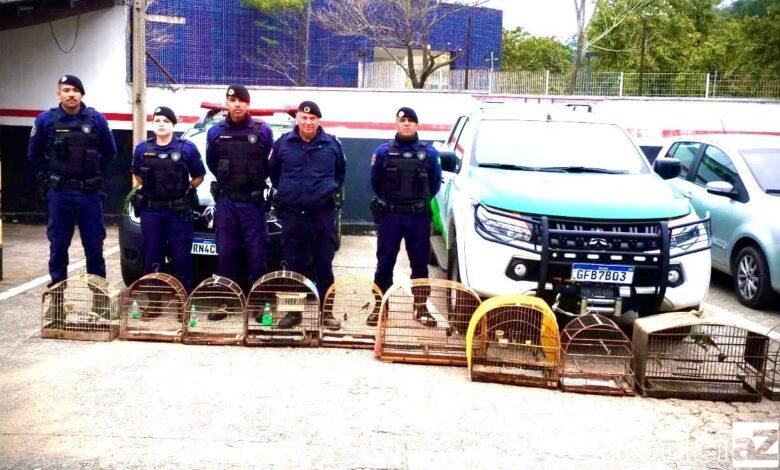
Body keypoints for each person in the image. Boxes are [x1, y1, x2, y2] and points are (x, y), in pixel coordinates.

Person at [28, 75, 117, 306]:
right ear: (59, 93)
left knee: (94, 247)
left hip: (89, 194)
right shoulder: (46, 120)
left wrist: (95, 174)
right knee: (58, 247)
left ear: (82, 94)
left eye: (76, 90)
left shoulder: (96, 119)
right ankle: (57, 304)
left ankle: (100, 302)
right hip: (60, 194)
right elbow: (34, 155)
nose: (71, 94)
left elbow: (110, 152)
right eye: (66, 90)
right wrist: (48, 179)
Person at [269, 100, 346, 330]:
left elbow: (340, 175)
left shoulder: (332, 144)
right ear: (297, 119)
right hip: (293, 216)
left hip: (322, 215)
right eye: (304, 118)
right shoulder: (283, 144)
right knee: (294, 266)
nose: (308, 122)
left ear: (318, 120)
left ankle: (327, 313)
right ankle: (293, 313)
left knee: (324, 264)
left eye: (312, 118)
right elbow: (274, 173)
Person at [368, 107, 442, 327]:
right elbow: (375, 182)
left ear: (417, 125)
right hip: (390, 217)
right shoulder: (383, 152)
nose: (407, 124)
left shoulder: (430, 154)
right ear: (396, 124)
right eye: (403, 120)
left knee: (420, 265)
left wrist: (417, 204)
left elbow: (435, 184)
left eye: (411, 121)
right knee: (384, 264)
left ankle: (420, 307)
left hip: (418, 217)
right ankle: (380, 307)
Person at [206, 85, 274, 320]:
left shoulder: (263, 131)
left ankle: (257, 303)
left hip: (253, 203)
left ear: (248, 104)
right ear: (226, 103)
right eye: (232, 100)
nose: (237, 105)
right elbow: (212, 164)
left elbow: (269, 165)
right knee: (226, 252)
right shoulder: (215, 133)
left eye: (241, 100)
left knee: (257, 254)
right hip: (227, 202)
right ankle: (226, 301)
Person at [131, 106, 205, 292]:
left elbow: (199, 176)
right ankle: (153, 298)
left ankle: (183, 297)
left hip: (178, 212)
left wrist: (185, 189)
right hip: (151, 211)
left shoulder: (187, 147)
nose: (161, 124)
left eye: (166, 121)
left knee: (181, 257)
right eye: (157, 121)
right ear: (153, 124)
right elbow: (137, 175)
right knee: (152, 256)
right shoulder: (142, 149)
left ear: (173, 124)